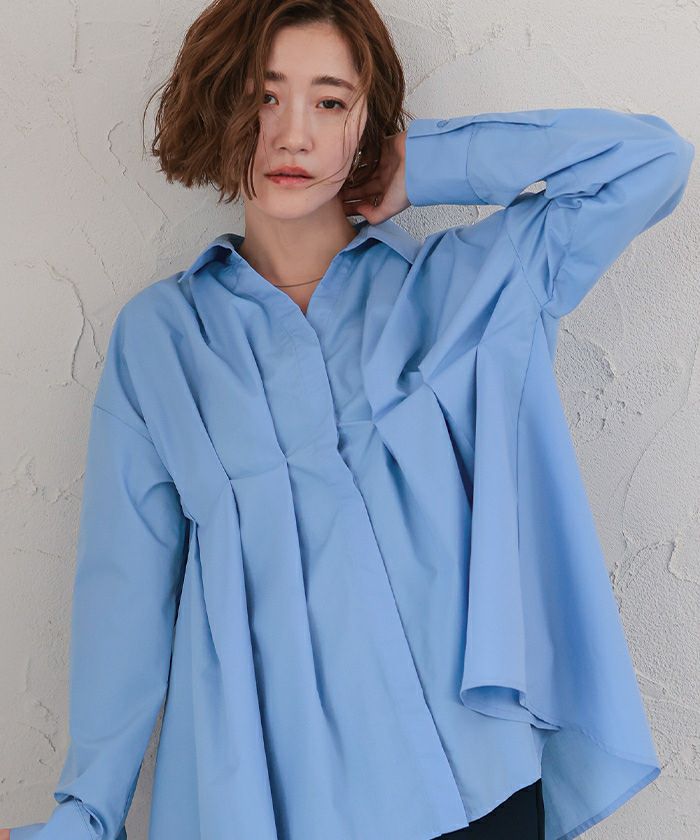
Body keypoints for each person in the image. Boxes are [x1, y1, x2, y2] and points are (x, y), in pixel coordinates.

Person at [4, 1, 694, 838]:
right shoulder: (163, 340)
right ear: (218, 104)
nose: (293, 134)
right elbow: (125, 593)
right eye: (263, 97)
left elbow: (651, 162)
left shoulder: (466, 290)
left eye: (330, 101)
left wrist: (422, 161)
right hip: (280, 809)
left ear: (367, 121)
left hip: (480, 792)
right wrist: (86, 814)